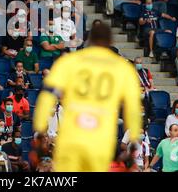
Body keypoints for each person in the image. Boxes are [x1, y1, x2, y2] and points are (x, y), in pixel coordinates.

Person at [33, 24, 141, 171]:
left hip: (71, 138)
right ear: (110, 42)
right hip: (101, 141)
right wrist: (133, 139)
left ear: (89, 41)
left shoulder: (69, 62)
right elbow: (133, 108)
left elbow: (46, 97)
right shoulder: (123, 68)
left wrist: (39, 130)